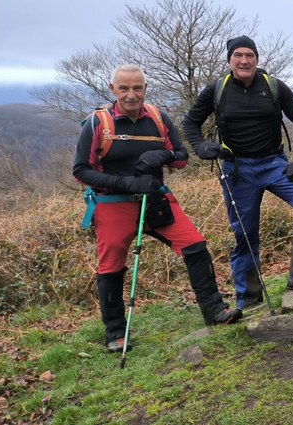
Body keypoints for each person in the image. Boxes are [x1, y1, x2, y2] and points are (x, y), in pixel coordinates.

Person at [75, 65, 241, 353]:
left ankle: (214, 310)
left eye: (137, 88)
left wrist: (159, 155)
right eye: (124, 88)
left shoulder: (157, 118)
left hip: (155, 199)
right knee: (111, 267)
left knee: (195, 246)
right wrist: (124, 183)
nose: (131, 94)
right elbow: (80, 171)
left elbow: (180, 158)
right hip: (113, 204)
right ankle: (115, 332)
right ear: (113, 89)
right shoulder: (97, 123)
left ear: (145, 88)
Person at [183, 35, 293, 309]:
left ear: (256, 59)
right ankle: (249, 297)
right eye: (238, 55)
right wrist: (201, 146)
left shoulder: (273, 86)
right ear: (230, 60)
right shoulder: (217, 90)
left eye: (250, 55)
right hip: (237, 169)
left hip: (275, 165)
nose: (244, 60)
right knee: (245, 232)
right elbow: (190, 123)